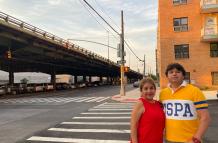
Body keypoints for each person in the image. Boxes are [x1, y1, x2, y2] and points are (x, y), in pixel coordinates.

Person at [159, 63, 211, 143]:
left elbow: (205, 118)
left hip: (190, 140)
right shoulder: (163, 94)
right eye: (171, 72)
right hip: (168, 139)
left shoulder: (195, 91)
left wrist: (197, 138)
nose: (174, 74)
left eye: (178, 71)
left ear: (183, 75)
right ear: (167, 76)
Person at [130, 78, 165, 143]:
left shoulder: (158, 104)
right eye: (146, 89)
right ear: (141, 91)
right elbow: (133, 126)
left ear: (155, 90)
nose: (149, 91)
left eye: (151, 88)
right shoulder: (140, 103)